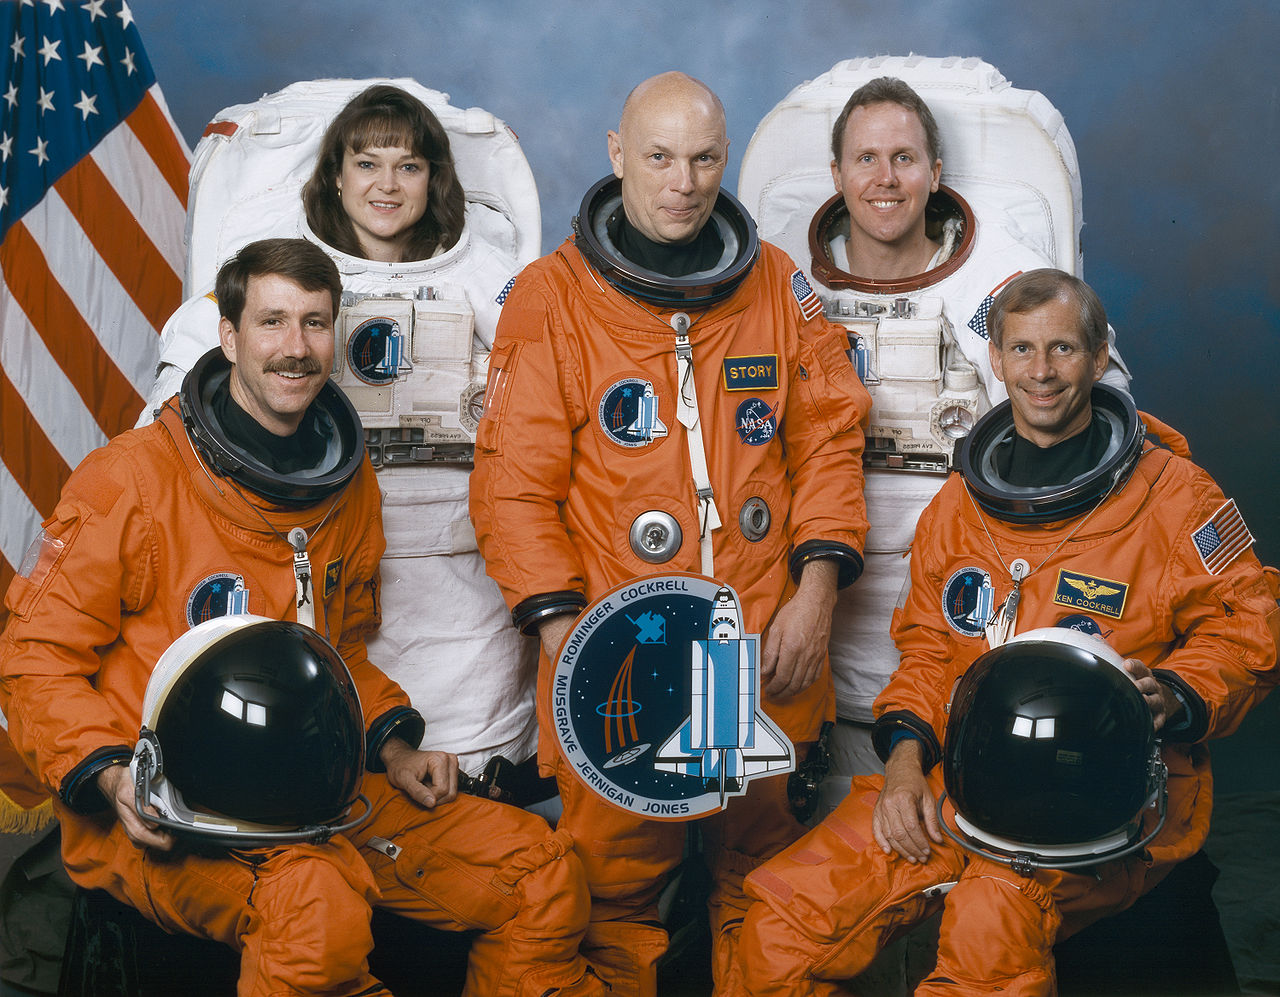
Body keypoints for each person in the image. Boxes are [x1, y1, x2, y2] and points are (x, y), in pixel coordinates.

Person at [0, 239, 602, 997]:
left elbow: (337, 645)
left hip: (316, 788)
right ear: (229, 335)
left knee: (537, 871)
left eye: (315, 323)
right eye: (272, 321)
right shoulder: (133, 480)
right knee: (314, 909)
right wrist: (115, 774)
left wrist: (394, 746)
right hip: (173, 804)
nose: (296, 347)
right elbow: (34, 657)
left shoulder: (343, 488)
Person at [737, 269, 1279, 995]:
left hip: (1094, 799)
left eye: (1061, 348)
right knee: (777, 920)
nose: (1042, 371)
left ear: (1095, 357)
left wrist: (1175, 693)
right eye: (1022, 350)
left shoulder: (1173, 495)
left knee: (987, 936)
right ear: (996, 359)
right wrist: (903, 766)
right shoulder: (960, 506)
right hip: (955, 780)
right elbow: (930, 647)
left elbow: (1251, 627)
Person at [469, 72, 870, 995]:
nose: (683, 181)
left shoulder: (777, 285)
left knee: (765, 882)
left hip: (760, 644)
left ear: (723, 159)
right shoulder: (553, 297)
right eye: (658, 156)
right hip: (620, 652)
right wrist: (573, 654)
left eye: (702, 158)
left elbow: (829, 447)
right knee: (611, 899)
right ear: (617, 156)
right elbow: (512, 491)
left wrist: (816, 596)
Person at [140, 83, 542, 796]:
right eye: (367, 163)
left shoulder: (484, 279)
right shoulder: (281, 279)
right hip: (318, 549)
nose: (387, 184)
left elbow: (546, 395)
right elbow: (178, 404)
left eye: (410, 166)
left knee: (471, 787)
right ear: (334, 174)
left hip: (460, 578)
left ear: (435, 180)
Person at [812, 76, 1132, 789]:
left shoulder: (996, 282)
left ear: (935, 173)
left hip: (964, 583)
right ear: (836, 175)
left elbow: (1095, 400)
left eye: (904, 157)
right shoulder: (789, 284)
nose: (885, 178)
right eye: (865, 159)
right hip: (822, 595)